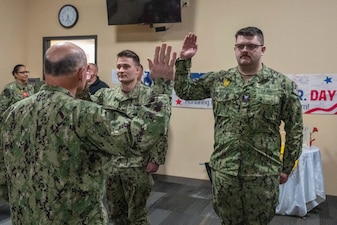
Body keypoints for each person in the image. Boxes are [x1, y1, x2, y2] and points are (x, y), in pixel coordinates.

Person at [0, 42, 170, 225]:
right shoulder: (85, 114)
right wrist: (161, 85)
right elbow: (140, 137)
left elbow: (3, 174)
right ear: (82, 73)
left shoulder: (13, 112)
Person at [174, 27, 303, 225]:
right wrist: (184, 60)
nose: (245, 50)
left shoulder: (281, 85)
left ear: (262, 49)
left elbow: (295, 129)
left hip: (262, 173)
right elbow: (185, 91)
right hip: (225, 170)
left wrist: (287, 167)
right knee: (228, 221)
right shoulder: (219, 80)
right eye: (240, 46)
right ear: (234, 49)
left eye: (251, 46)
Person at [80, 44, 176, 225]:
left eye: (126, 66)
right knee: (116, 215)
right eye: (119, 66)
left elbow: (161, 129)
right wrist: (83, 85)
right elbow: (86, 108)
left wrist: (156, 158)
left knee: (137, 217)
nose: (121, 70)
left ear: (138, 70)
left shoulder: (149, 96)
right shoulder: (105, 95)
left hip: (138, 166)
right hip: (111, 166)